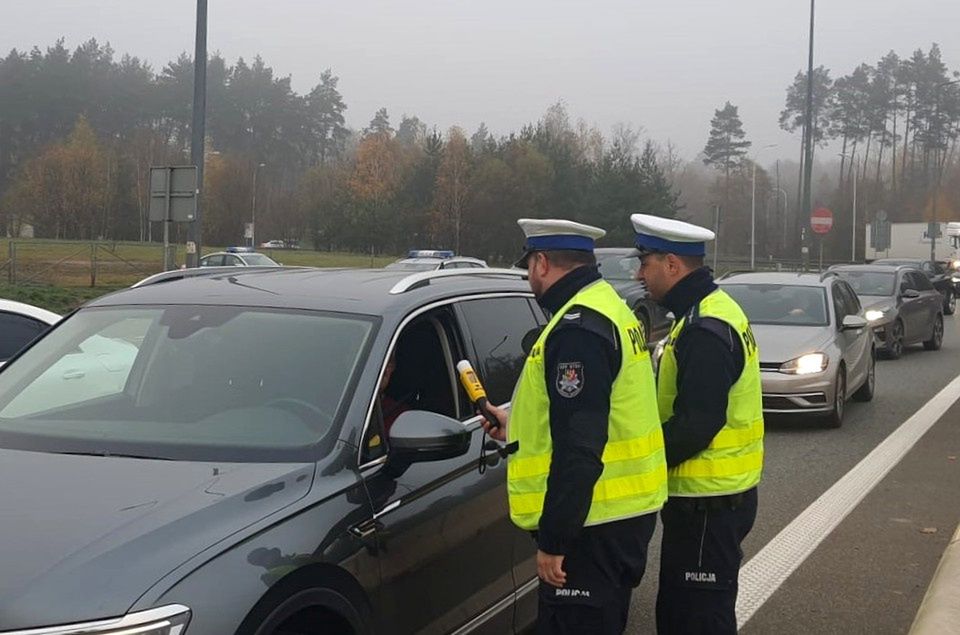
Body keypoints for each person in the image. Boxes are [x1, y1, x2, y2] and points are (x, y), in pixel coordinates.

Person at [480, 218, 667, 635]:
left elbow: (580, 448)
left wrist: (554, 541)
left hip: (591, 529)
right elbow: (596, 413)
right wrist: (516, 427)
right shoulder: (609, 308)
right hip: (618, 519)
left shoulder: (577, 331)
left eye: (529, 266)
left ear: (542, 262)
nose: (529, 276)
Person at [630, 213, 764, 634]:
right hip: (711, 500)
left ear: (672, 264)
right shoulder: (703, 313)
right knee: (686, 614)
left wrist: (639, 460)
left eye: (645, 262)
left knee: (695, 621)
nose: (639, 274)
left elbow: (698, 423)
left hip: (708, 504)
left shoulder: (705, 327)